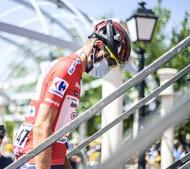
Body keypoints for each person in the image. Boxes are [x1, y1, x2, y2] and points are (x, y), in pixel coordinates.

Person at [13, 19, 131, 169]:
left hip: (50, 159)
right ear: (99, 45)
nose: (108, 67)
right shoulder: (66, 69)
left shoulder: (75, 73)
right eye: (110, 60)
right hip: (35, 161)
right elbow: (42, 127)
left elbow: (57, 135)